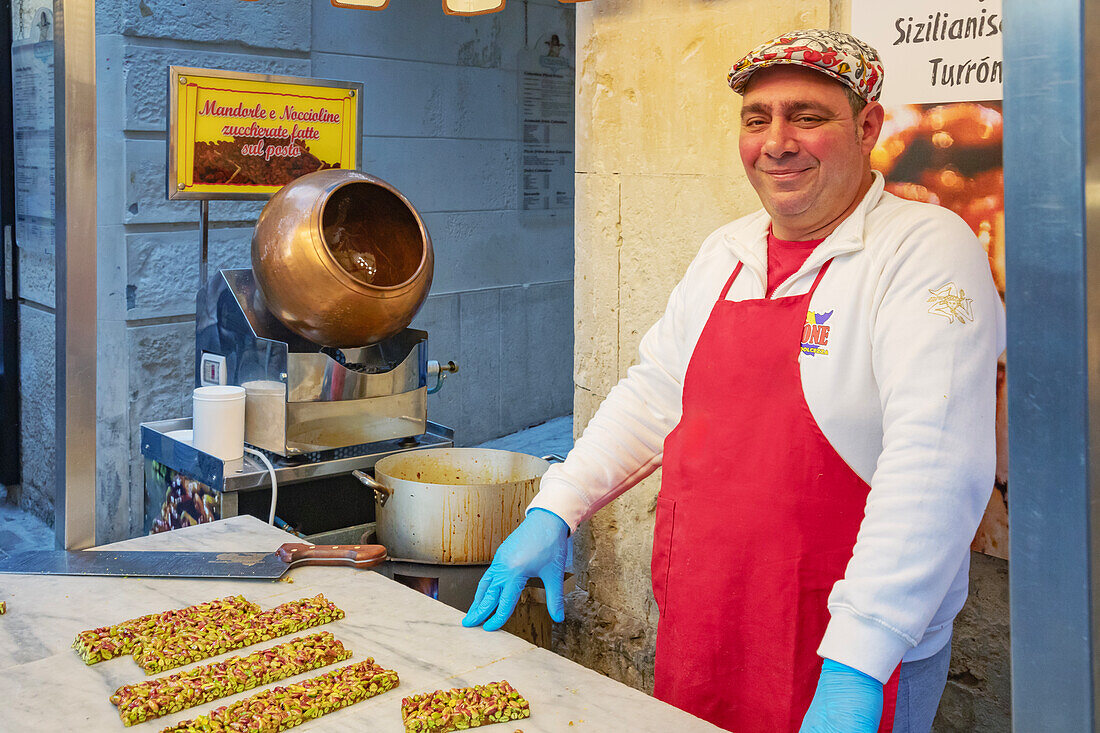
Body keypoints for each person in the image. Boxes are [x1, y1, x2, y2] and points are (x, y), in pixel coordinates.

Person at [462, 28, 1004, 733]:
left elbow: (934, 465)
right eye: (757, 118)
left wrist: (859, 657)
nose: (776, 141)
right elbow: (654, 393)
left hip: (852, 647)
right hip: (710, 626)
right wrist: (555, 507)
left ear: (868, 125)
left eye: (807, 116)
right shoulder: (727, 250)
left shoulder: (924, 250)